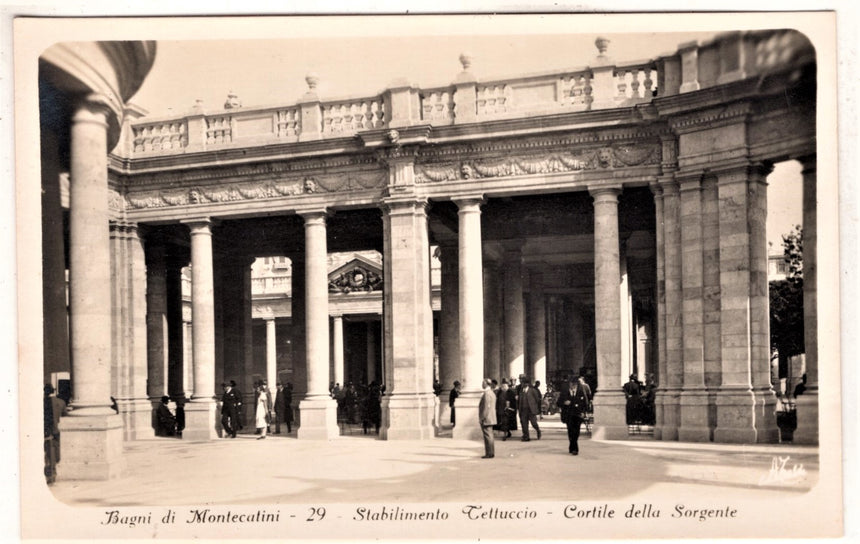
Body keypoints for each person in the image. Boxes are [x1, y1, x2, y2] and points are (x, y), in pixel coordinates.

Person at [558, 375, 589, 455]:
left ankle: (572, 446)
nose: (572, 386)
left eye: (574, 384)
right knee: (571, 431)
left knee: (577, 431)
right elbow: (558, 402)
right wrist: (564, 402)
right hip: (568, 414)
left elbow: (585, 403)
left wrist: (584, 412)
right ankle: (574, 448)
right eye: (571, 384)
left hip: (578, 414)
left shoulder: (581, 390)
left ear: (577, 384)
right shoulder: (565, 391)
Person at [517, 375, 542, 441]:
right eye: (522, 383)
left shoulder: (532, 390)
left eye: (523, 383)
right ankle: (526, 436)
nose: (522, 384)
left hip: (531, 410)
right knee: (524, 423)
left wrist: (536, 409)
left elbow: (537, 400)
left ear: (527, 384)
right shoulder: (521, 391)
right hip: (523, 410)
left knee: (534, 423)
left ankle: (538, 430)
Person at [478, 379, 497, 459]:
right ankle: (491, 452)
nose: (482, 384)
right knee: (490, 436)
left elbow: (486, 408)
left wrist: (482, 418)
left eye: (483, 383)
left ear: (487, 384)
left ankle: (489, 453)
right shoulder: (492, 393)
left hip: (487, 418)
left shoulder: (487, 394)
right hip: (491, 417)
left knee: (487, 436)